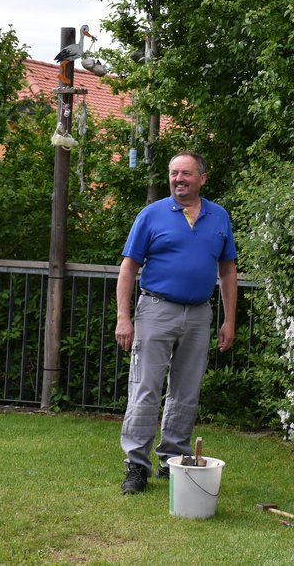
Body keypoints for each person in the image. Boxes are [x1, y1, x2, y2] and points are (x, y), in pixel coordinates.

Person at [115, 151, 238, 495]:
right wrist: (124, 318)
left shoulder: (219, 217)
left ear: (202, 177)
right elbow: (128, 268)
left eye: (185, 173)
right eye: (173, 173)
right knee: (145, 389)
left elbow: (227, 271)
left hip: (199, 314)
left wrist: (229, 320)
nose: (178, 179)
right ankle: (136, 465)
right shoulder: (151, 215)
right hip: (156, 309)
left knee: (186, 391)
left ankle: (172, 460)